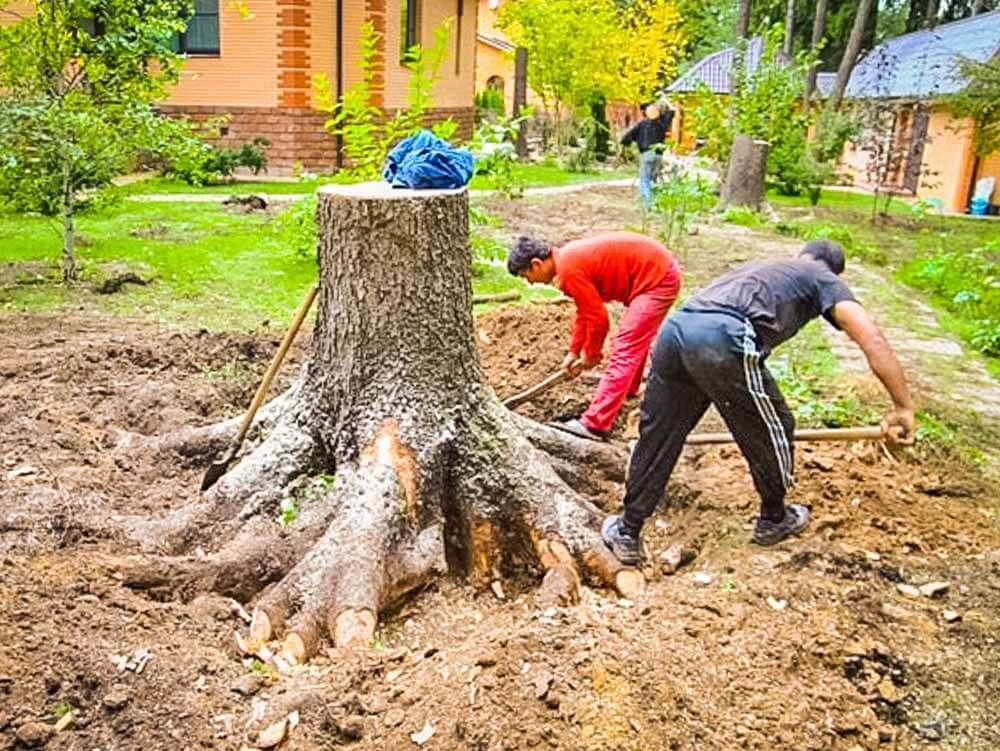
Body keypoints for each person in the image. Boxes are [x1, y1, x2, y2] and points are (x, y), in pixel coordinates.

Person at [601, 240, 915, 564]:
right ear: (835, 272)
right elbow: (872, 338)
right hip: (721, 336)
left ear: (802, 255)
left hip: (677, 328)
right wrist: (903, 406)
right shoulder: (824, 278)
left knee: (660, 434)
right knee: (774, 426)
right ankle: (775, 517)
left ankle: (628, 529)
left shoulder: (767, 268)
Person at [506, 231, 682, 440]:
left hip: (657, 280)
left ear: (536, 264)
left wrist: (591, 355)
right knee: (631, 342)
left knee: (626, 347)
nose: (530, 283)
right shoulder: (566, 262)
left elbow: (599, 320)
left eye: (525, 276)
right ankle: (629, 388)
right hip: (655, 272)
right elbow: (585, 312)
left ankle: (595, 424)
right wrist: (574, 352)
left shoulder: (569, 269)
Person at [620, 101, 674, 207]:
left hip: (646, 154)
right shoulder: (662, 124)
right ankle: (655, 201)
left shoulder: (641, 125)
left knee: (645, 179)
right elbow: (671, 112)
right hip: (658, 155)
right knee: (653, 178)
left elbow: (626, 138)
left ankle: (647, 204)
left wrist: (630, 143)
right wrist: (665, 100)